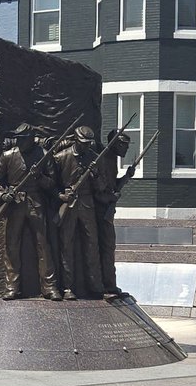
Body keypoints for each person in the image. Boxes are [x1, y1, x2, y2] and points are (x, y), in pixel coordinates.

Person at [0, 124, 61, 301]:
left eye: (23, 138)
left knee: (43, 245)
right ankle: (12, 287)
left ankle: (49, 287)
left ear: (31, 138)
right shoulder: (8, 156)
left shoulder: (44, 155)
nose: (19, 142)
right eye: (18, 138)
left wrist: (39, 176)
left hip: (35, 203)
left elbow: (52, 184)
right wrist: (3, 194)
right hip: (15, 204)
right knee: (12, 245)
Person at [53, 126, 105, 300]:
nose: (85, 147)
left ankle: (95, 285)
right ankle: (67, 287)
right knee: (66, 245)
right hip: (68, 205)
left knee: (92, 244)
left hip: (87, 204)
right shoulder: (61, 158)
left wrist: (95, 174)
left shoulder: (93, 158)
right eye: (82, 143)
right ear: (75, 140)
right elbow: (51, 185)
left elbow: (101, 188)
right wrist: (61, 195)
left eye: (88, 143)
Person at [94, 129, 135, 297]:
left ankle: (109, 284)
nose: (126, 149)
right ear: (115, 144)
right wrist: (110, 196)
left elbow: (112, 185)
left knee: (109, 247)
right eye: (124, 145)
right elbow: (97, 189)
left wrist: (126, 177)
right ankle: (105, 285)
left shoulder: (112, 160)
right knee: (105, 247)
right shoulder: (103, 159)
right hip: (99, 211)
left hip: (107, 209)